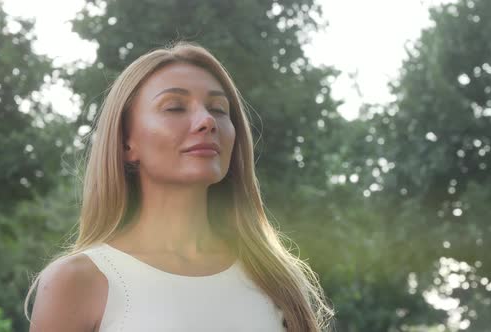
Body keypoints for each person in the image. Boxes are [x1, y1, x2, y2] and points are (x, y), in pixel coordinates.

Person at [25, 41, 334, 332]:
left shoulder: (275, 279)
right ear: (125, 143)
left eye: (218, 109)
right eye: (174, 107)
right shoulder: (79, 281)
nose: (206, 121)